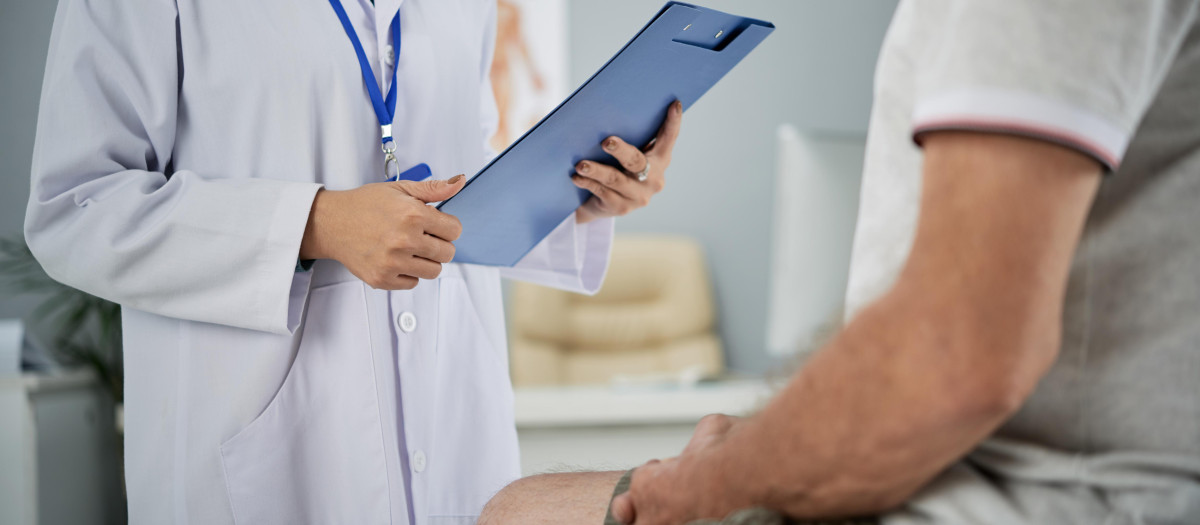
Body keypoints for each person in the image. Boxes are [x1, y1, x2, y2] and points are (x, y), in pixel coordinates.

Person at [479, 1, 1200, 524]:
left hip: (1034, 494)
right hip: (981, 467)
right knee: (523, 508)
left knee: (522, 515)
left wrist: (710, 480)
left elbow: (955, 355)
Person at [23, 0, 681, 523]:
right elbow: (75, 206)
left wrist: (583, 199)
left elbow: (461, 178)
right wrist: (313, 221)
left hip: (453, 431)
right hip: (259, 450)